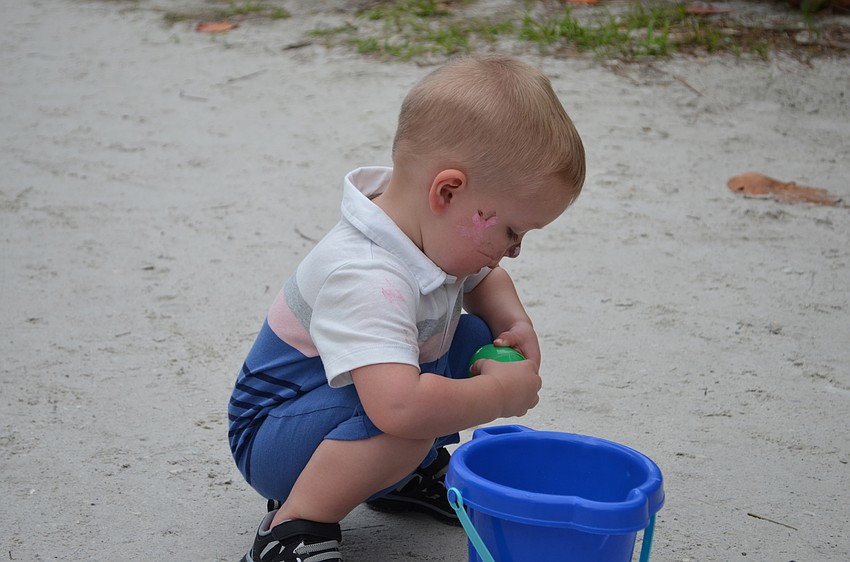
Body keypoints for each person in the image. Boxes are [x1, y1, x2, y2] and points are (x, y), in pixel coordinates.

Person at [229, 54, 586, 562]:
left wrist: (513, 323)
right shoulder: (365, 275)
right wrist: (498, 394)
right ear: (447, 191)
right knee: (406, 424)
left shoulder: (427, 230)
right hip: (273, 440)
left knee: (473, 338)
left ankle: (398, 475)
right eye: (511, 230)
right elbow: (399, 407)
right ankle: (292, 527)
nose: (514, 250)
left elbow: (486, 279)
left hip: (338, 408)